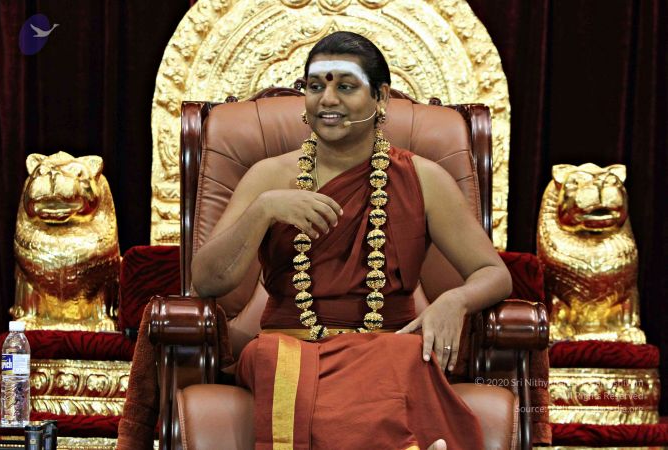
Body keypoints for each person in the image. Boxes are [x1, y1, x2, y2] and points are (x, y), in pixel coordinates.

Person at [192, 31, 512, 450]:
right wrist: (263, 210)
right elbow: (207, 282)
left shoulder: (424, 179)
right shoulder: (269, 177)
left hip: (385, 346)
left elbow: (493, 273)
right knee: (270, 358)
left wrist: (456, 300)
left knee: (401, 356)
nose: (327, 100)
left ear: (381, 97)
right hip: (290, 347)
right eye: (315, 86)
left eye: (345, 86)